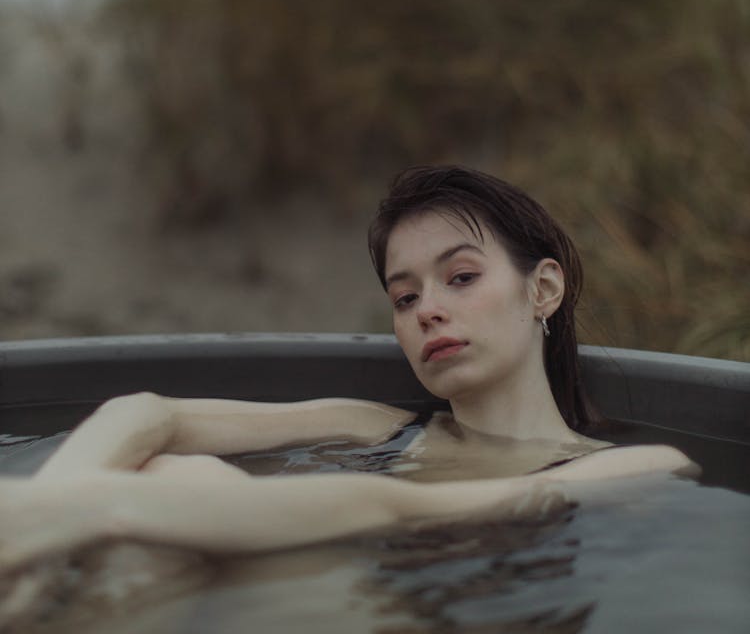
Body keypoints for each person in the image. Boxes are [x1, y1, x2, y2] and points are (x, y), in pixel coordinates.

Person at [0, 166, 694, 576]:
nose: (428, 311)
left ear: (542, 289)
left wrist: (81, 508)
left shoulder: (641, 465)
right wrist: (47, 513)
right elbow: (153, 411)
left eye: (459, 276)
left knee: (188, 485)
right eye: (405, 296)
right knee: (174, 473)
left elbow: (398, 507)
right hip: (297, 620)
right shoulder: (372, 427)